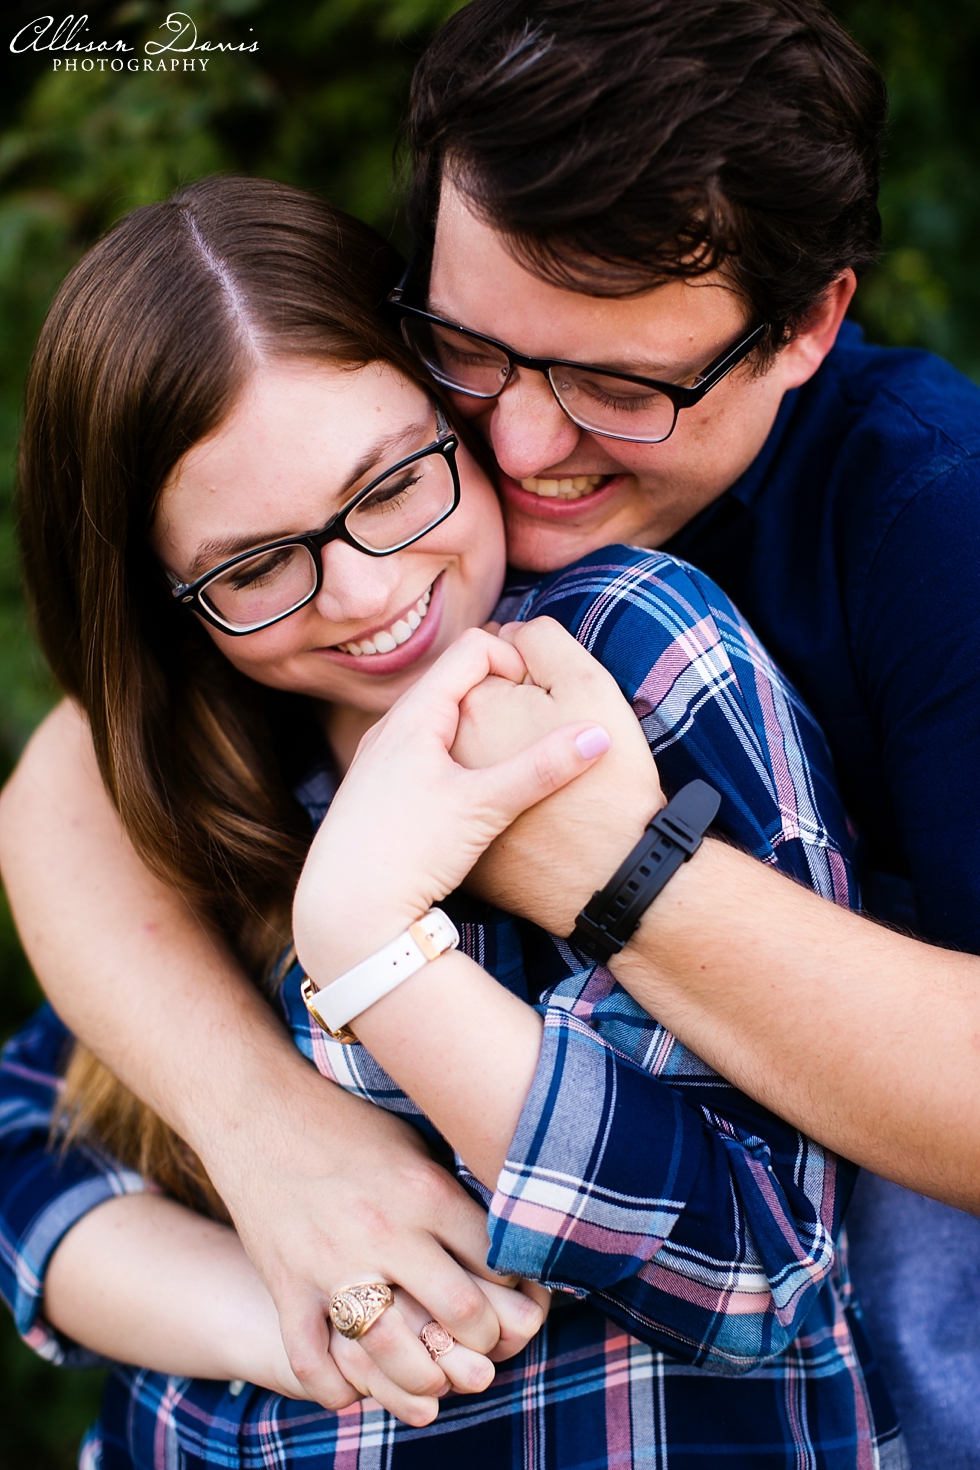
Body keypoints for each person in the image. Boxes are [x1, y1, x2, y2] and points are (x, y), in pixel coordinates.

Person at [3, 0, 977, 1459]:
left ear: (810, 327)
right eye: (471, 348)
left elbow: (768, 1250)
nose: (518, 450)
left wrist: (590, 872)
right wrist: (267, 1146)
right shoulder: (328, 572)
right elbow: (85, 765)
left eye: (621, 385)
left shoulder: (912, 529)